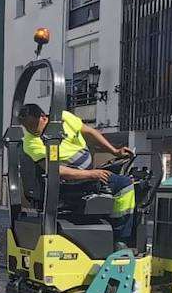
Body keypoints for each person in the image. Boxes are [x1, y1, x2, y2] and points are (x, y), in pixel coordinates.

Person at [18, 104, 138, 246]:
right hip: (69, 183)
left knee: (115, 180)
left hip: (84, 177)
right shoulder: (31, 142)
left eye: (32, 125)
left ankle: (110, 228)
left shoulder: (64, 118)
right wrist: (91, 174)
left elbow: (89, 132)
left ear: (43, 117)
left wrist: (114, 151)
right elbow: (56, 171)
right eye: (26, 127)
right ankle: (121, 240)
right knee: (124, 185)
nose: (30, 130)